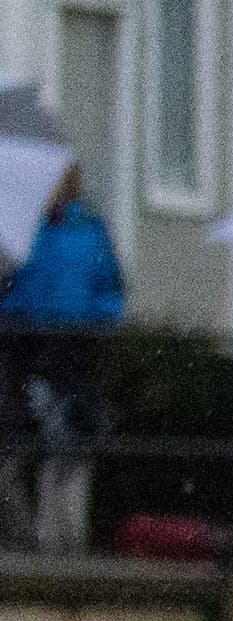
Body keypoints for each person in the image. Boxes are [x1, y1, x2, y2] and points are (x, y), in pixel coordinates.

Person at [0, 171, 122, 554]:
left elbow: (109, 287)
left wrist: (98, 325)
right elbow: (14, 286)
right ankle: (31, 538)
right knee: (22, 445)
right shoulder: (27, 231)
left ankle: (62, 542)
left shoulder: (89, 230)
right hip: (29, 343)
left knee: (66, 446)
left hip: (75, 345)